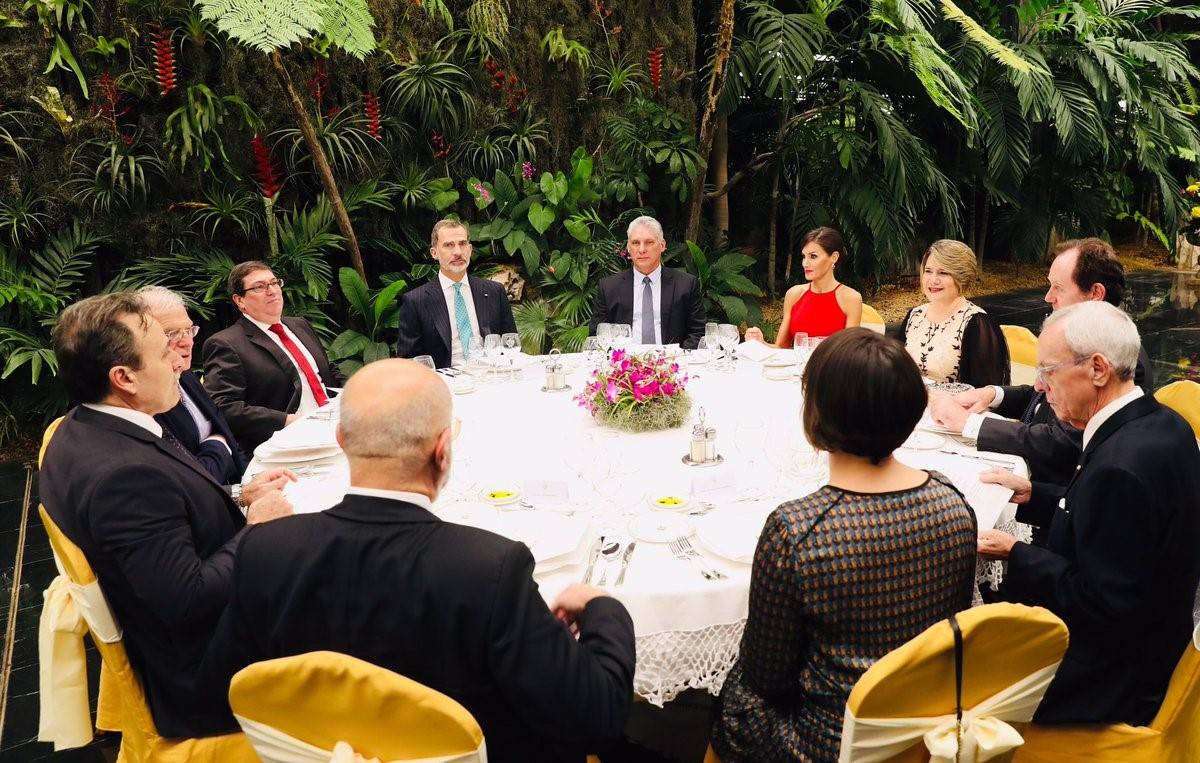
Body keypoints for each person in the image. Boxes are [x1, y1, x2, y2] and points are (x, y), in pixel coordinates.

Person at [203, 359, 636, 762]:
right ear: (443, 449)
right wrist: (604, 608)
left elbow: (225, 688)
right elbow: (594, 719)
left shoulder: (266, 548)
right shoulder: (490, 568)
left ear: (341, 441)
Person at [710, 329, 977, 761]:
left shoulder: (797, 529)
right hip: (924, 731)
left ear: (816, 413)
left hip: (826, 743)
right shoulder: (952, 502)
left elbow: (766, 677)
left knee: (729, 697)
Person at [39, 293, 293, 739]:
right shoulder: (125, 477)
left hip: (184, 635)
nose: (179, 364)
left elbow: (167, 517)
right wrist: (257, 529)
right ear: (123, 378)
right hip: (211, 676)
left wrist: (238, 496)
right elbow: (187, 599)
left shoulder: (82, 428)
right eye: (163, 354)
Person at [977, 301, 1200, 726]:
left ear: (1098, 369)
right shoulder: (1161, 423)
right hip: (1155, 642)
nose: (1040, 386)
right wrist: (1034, 496)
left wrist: (1015, 553)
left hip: (1111, 682)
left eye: (1048, 371)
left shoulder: (1120, 465)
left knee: (955, 677)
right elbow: (1116, 527)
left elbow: (1102, 604)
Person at [929, 238, 1155, 489]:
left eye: (1058, 288)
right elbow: (1041, 398)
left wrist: (969, 424)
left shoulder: (1120, 361)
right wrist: (991, 394)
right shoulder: (1080, 341)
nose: (1048, 297)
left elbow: (1064, 443)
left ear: (1095, 294)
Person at [202, 261, 346, 455]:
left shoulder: (299, 325)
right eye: (260, 287)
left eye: (274, 283)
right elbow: (224, 407)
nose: (272, 290)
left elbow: (326, 370)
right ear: (239, 300)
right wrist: (287, 420)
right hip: (288, 443)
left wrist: (356, 389)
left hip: (335, 426)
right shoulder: (226, 344)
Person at [138, 285, 246, 484]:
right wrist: (218, 445)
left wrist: (251, 478)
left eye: (188, 330)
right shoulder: (146, 399)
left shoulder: (186, 375)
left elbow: (228, 436)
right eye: (171, 334)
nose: (187, 342)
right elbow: (193, 480)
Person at [395, 218, 518, 369]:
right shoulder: (416, 301)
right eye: (448, 245)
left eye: (462, 244)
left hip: (491, 376)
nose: (458, 252)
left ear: (470, 249)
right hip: (445, 384)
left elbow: (510, 343)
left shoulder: (494, 291)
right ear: (434, 253)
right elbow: (409, 362)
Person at [892, 239, 1009, 386]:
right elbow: (894, 367)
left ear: (962, 277)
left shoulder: (976, 322)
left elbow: (983, 390)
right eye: (928, 271)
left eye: (943, 273)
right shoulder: (915, 315)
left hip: (953, 406)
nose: (933, 280)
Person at [588, 215, 706, 348]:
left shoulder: (685, 285)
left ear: (662, 245)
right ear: (628, 248)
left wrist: (677, 359)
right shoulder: (609, 287)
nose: (642, 249)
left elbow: (698, 332)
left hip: (673, 363)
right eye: (635, 243)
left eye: (649, 242)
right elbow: (597, 335)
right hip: (625, 364)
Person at [744, 227, 863, 345]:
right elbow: (780, 347)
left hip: (832, 364)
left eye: (813, 256)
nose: (805, 263)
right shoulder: (794, 294)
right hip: (796, 364)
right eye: (804, 256)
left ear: (834, 257)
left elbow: (849, 353)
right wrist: (760, 343)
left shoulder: (851, 298)